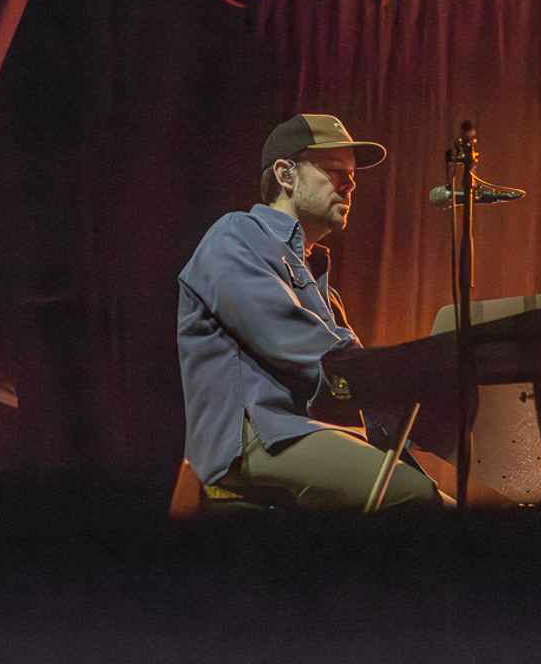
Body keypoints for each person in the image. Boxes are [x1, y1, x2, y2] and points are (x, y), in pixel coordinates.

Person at [177, 113, 446, 509]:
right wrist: (405, 377)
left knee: (446, 503)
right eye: (335, 170)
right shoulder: (236, 235)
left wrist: (435, 422)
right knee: (415, 497)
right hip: (258, 437)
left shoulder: (322, 287)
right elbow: (293, 342)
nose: (351, 184)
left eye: (351, 175)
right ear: (286, 175)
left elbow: (350, 382)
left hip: (308, 433)